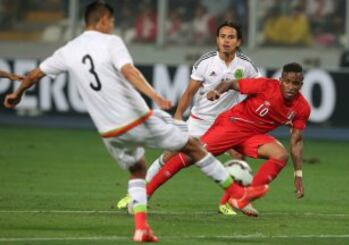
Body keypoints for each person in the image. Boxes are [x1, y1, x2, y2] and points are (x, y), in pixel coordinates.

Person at [3, 1, 268, 243]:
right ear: (104, 20)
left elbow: (34, 75)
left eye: (230, 37)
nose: (113, 26)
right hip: (142, 118)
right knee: (189, 149)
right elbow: (130, 71)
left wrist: (16, 94)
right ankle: (238, 193)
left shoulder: (67, 50)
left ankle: (141, 225)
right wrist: (157, 98)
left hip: (109, 132)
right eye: (112, 21)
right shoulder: (112, 42)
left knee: (137, 168)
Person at [118, 21, 261, 216]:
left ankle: (227, 202)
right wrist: (178, 120)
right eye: (222, 37)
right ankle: (138, 194)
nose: (226, 41)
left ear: (238, 41)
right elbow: (188, 93)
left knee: (238, 157)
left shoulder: (247, 66)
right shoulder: (206, 62)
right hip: (200, 120)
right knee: (170, 154)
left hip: (228, 122)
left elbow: (258, 92)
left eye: (231, 37)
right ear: (217, 39)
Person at [141, 62, 311, 215]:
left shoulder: (302, 108)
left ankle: (242, 199)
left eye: (295, 83)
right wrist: (216, 91)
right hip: (231, 126)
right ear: (280, 80)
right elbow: (231, 83)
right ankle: (145, 194)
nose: (290, 87)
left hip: (252, 137)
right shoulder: (265, 85)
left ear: (301, 85)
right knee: (190, 155)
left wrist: (298, 175)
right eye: (287, 81)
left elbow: (296, 142)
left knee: (280, 155)